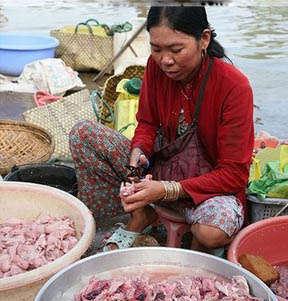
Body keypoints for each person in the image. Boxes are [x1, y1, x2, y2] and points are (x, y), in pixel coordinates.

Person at [69, 5, 254, 254]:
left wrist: (169, 189)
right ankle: (141, 215)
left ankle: (194, 247)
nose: (165, 60)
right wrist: (138, 158)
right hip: (160, 169)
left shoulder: (234, 86)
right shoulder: (156, 69)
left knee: (212, 230)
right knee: (83, 134)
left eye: (176, 50)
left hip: (208, 188)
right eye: (156, 49)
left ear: (204, 39)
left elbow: (234, 174)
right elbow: (146, 124)